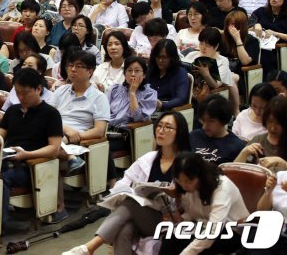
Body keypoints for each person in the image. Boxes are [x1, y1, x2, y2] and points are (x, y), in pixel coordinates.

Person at [62, 111, 191, 255]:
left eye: (168, 127)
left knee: (131, 204)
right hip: (144, 217)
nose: (161, 130)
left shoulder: (186, 164)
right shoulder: (149, 159)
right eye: (159, 126)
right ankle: (87, 249)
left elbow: (191, 200)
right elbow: (123, 183)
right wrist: (125, 192)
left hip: (169, 221)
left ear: (179, 133)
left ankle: (89, 248)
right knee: (125, 227)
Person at [0, 68, 64, 230]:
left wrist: (27, 155)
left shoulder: (51, 114)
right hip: (10, 159)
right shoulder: (13, 110)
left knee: (2, 177)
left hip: (33, 166)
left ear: (39, 89)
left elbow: (54, 149)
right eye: (18, 93)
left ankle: (1, 223)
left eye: (26, 93)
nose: (21, 97)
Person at [158, 153, 249, 255]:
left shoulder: (222, 188)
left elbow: (213, 232)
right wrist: (176, 202)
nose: (184, 186)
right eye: (179, 181)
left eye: (188, 181)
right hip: (201, 226)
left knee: (198, 247)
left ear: (200, 176)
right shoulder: (184, 187)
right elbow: (190, 216)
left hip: (230, 231)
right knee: (170, 238)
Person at [190, 94, 245, 165]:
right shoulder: (193, 136)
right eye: (203, 120)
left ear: (223, 120)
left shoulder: (236, 146)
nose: (205, 126)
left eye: (211, 121)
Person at [107, 56, 157, 129]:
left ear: (144, 75)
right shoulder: (115, 89)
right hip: (107, 128)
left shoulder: (149, 94)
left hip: (127, 132)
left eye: (137, 71)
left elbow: (138, 118)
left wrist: (132, 93)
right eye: (129, 70)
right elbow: (104, 111)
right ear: (124, 73)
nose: (133, 74)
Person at [148, 39, 189, 111]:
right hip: (147, 108)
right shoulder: (151, 69)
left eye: (164, 57)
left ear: (172, 58)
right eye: (158, 57)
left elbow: (181, 98)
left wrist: (162, 105)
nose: (160, 60)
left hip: (168, 111)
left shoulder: (180, 73)